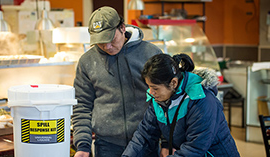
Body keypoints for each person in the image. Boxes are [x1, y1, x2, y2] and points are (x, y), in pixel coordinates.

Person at [72, 6, 163, 157]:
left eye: (111, 39)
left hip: (147, 141)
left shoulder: (150, 54)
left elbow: (166, 99)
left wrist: (166, 141)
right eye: (100, 42)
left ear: (122, 28)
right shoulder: (87, 61)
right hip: (107, 145)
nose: (107, 47)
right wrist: (83, 144)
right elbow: (82, 105)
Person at [122, 53, 240, 157]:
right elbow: (145, 135)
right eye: (149, 87)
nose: (150, 92)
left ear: (173, 83)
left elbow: (194, 148)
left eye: (155, 88)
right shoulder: (158, 99)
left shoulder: (201, 100)